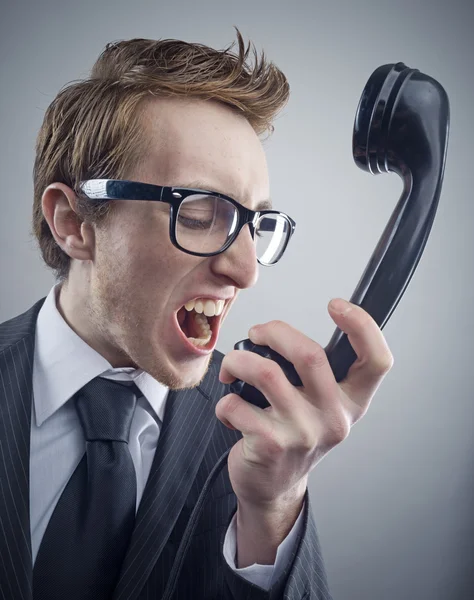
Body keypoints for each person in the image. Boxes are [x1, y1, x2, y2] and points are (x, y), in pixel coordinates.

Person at [0, 29, 394, 600]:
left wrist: (274, 506)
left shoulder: (258, 440)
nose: (245, 270)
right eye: (201, 211)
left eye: (255, 223)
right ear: (73, 222)